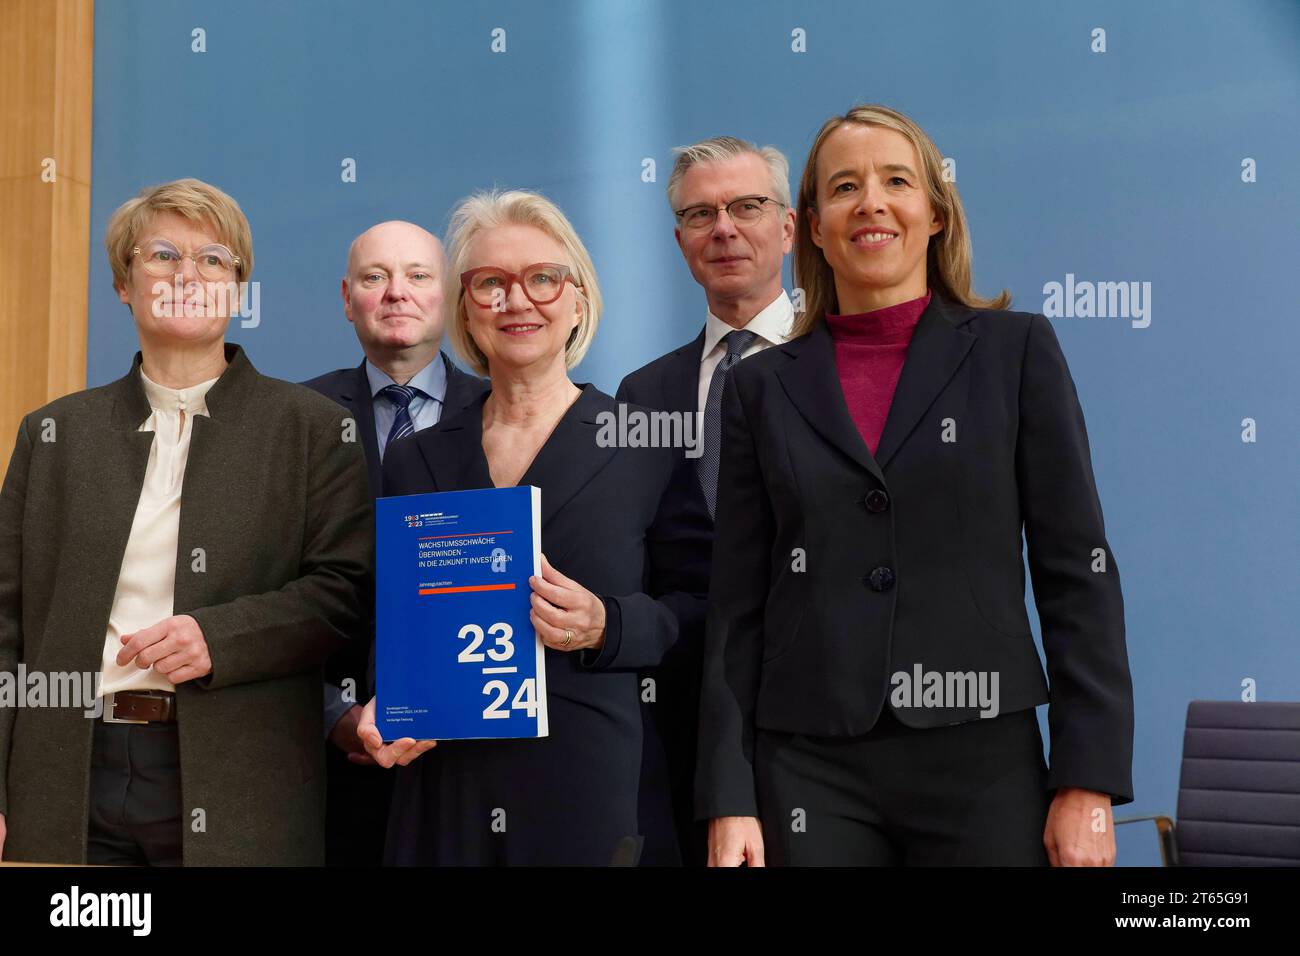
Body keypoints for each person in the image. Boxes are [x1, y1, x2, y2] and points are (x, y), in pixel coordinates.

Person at [696, 105, 1134, 866]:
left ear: (935, 213)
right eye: (844, 187)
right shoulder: (758, 388)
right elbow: (737, 608)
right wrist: (729, 798)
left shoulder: (1015, 351)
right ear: (814, 226)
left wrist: (1086, 783)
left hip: (982, 760)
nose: (870, 201)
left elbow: (1077, 577)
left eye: (895, 180)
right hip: (809, 766)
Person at [0, 178, 372, 866]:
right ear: (123, 283)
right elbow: (7, 623)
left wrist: (219, 637)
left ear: (238, 288)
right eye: (163, 255)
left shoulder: (314, 430)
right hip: (66, 779)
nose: (186, 275)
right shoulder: (54, 433)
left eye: (213, 260)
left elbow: (341, 593)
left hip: (238, 775)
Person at [358, 189, 709, 865]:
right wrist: (385, 703)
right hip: (445, 800)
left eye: (543, 278)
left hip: (592, 798)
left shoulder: (644, 440)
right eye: (490, 282)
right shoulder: (415, 459)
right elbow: (389, 621)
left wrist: (607, 624)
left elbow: (704, 611)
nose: (516, 301)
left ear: (578, 300)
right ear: (465, 307)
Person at [616, 135, 795, 865]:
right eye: (699, 215)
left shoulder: (845, 364)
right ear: (680, 239)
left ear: (788, 226)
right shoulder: (643, 394)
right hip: (686, 735)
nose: (723, 228)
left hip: (831, 726)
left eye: (746, 207)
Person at [303, 220, 486, 866]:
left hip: (470, 764)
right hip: (326, 772)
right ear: (347, 297)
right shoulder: (296, 417)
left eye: (417, 276)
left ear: (451, 297)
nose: (395, 293)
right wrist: (334, 715)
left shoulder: (503, 413)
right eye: (375, 277)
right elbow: (264, 588)